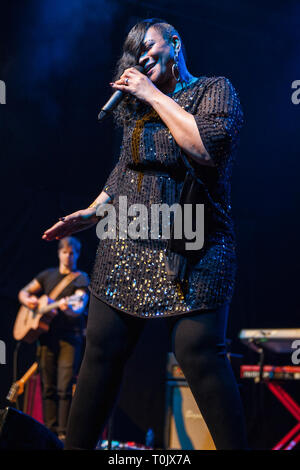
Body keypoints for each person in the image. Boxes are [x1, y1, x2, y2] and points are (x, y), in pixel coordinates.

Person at [42, 18, 248, 450]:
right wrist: (94, 211)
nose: (143, 57)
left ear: (175, 45)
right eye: (136, 52)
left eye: (150, 48)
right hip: (129, 239)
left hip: (195, 243)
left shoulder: (214, 90)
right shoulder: (136, 110)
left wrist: (153, 94)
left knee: (197, 350)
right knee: (101, 350)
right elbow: (123, 173)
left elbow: (205, 148)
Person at [18, 236, 89, 441]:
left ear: (77, 255)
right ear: (59, 253)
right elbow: (23, 292)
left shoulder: (80, 278)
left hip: (70, 338)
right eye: (65, 252)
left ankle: (64, 434)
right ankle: (49, 432)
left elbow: (79, 306)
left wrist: (69, 307)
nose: (69, 256)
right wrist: (29, 300)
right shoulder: (46, 275)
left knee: (64, 386)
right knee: (47, 386)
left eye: (73, 252)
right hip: (47, 338)